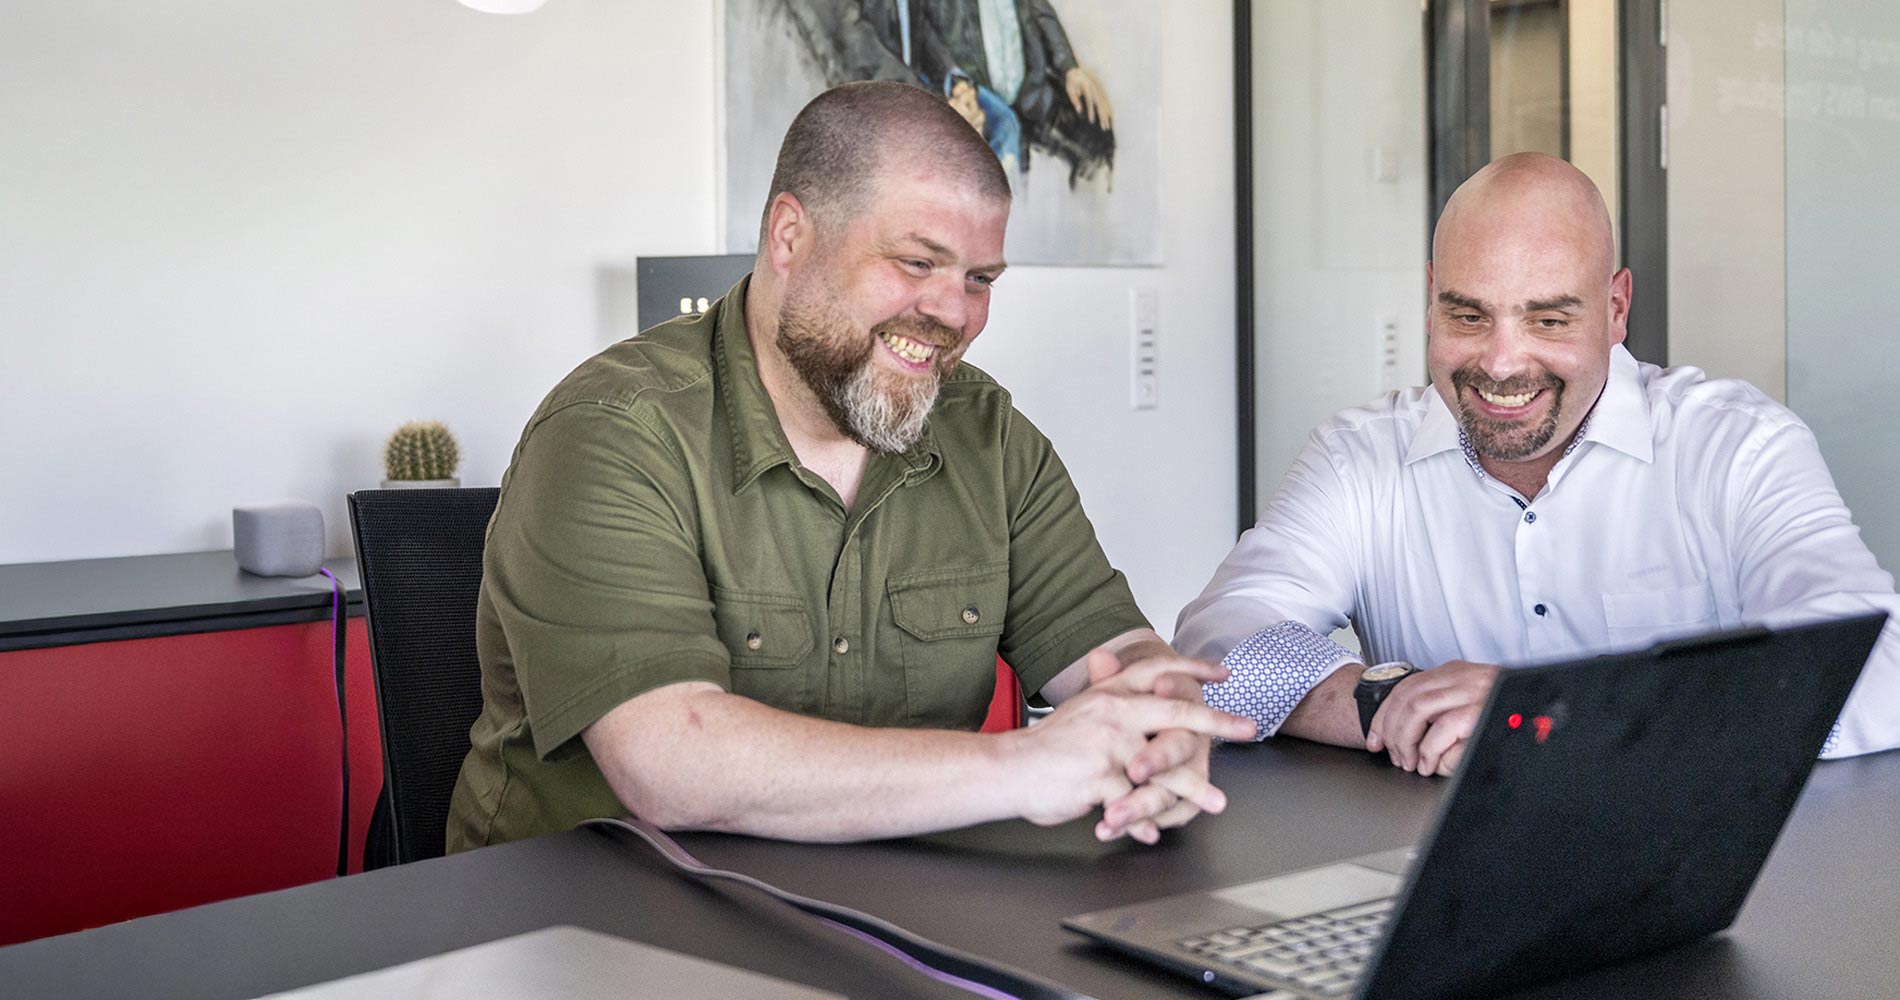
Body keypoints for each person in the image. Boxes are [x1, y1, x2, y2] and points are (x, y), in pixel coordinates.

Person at [447, 81, 1252, 853]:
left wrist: (1163, 725)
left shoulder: (988, 436)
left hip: (876, 912)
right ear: (790, 236)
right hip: (590, 927)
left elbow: (1118, 654)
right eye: (914, 262)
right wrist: (1024, 765)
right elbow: (670, 763)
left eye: (979, 279)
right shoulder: (611, 432)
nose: (953, 314)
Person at [1176, 152, 1900, 776]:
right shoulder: (1357, 458)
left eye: (1549, 320)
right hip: (1436, 883)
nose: (1500, 362)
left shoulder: (1737, 447)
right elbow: (1219, 641)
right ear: (1430, 301)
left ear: (1616, 309)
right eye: (1467, 316)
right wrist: (1393, 700)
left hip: (1695, 877)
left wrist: (1551, 714)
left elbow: (1878, 666)